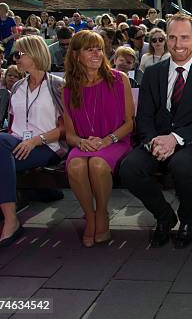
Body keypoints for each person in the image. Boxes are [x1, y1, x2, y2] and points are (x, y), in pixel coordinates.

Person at [119, 14, 192, 249]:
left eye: (184, 38)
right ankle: (164, 216)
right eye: (173, 37)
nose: (178, 44)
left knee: (182, 166)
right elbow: (144, 115)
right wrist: (152, 141)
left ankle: (188, 220)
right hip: (156, 138)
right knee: (129, 168)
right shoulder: (154, 72)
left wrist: (174, 139)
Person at [0, 36, 66, 260]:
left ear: (34, 54)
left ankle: (0, 224)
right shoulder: (18, 87)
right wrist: (22, 142)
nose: (15, 59)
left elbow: (66, 128)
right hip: (17, 143)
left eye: (19, 54)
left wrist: (35, 140)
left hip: (47, 147)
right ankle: (2, 222)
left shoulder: (58, 85)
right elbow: (13, 126)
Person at [63, 31, 134, 248]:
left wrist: (107, 140)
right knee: (75, 165)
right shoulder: (67, 88)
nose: (96, 53)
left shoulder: (119, 79)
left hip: (115, 141)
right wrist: (82, 142)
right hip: (85, 143)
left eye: (99, 48)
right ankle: (90, 215)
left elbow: (130, 123)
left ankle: (101, 212)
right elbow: (70, 134)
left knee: (96, 164)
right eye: (89, 48)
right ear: (76, 55)